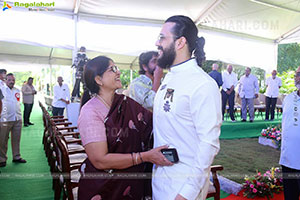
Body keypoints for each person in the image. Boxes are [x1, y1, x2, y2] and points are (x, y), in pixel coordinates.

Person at [77, 56, 172, 200]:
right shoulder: (90, 112)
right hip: (104, 188)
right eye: (112, 69)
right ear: (98, 80)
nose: (118, 72)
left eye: (117, 68)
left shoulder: (126, 103)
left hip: (132, 185)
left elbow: (153, 122)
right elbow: (99, 160)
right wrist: (144, 157)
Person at [152, 15, 222, 200]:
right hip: (160, 181)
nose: (156, 42)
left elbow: (209, 143)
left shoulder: (202, 84)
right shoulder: (170, 77)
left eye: (162, 37)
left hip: (182, 189)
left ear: (180, 42)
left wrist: (187, 192)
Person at [279, 66, 300, 200]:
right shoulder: (288, 99)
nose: (299, 77)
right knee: (290, 195)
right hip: (288, 160)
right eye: (297, 74)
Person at [0, 73, 26, 167]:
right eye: (9, 80)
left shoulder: (17, 90)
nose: (12, 82)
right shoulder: (2, 89)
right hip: (5, 119)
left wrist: (19, 116)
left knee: (16, 139)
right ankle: (2, 159)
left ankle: (16, 156)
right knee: (3, 140)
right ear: (5, 80)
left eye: (13, 80)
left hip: (17, 118)